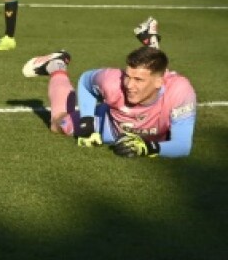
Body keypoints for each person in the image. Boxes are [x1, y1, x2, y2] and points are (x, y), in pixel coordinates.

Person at [22, 19, 197, 158]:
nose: (128, 85)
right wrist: (87, 122)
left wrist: (148, 147)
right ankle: (56, 65)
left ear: (161, 81)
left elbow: (182, 145)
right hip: (110, 126)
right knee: (57, 124)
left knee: (151, 72)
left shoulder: (180, 91)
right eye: (128, 76)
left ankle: (150, 40)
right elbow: (85, 81)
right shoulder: (113, 81)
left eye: (137, 79)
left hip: (154, 111)